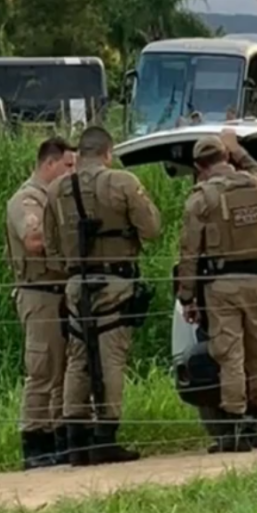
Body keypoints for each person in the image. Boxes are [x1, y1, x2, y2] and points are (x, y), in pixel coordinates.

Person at [43, 126, 162, 466]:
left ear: (79, 154)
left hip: (76, 283)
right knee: (111, 354)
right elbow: (152, 229)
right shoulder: (122, 183)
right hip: (115, 280)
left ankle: (74, 441)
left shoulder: (55, 190)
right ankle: (105, 437)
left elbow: (51, 248)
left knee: (78, 357)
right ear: (107, 153)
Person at [177, 130, 257, 453]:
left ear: (198, 165)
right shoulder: (254, 185)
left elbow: (189, 253)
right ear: (227, 158)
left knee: (230, 354)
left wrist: (187, 297)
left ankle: (234, 430)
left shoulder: (200, 198)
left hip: (222, 285)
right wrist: (240, 150)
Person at [4, 137, 76, 470]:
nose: (71, 172)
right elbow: (33, 240)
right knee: (42, 367)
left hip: (59, 292)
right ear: (50, 164)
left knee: (62, 369)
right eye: (67, 166)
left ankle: (57, 437)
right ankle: (35, 440)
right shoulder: (28, 199)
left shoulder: (56, 199)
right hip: (39, 292)